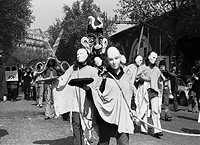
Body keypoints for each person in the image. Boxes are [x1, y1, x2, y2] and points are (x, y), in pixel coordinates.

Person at [85, 47, 137, 145]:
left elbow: (131, 95)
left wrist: (133, 108)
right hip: (106, 117)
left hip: (123, 116)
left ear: (120, 57)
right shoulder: (103, 76)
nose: (114, 62)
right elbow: (96, 96)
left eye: (116, 58)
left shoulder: (127, 76)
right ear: (107, 60)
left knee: (123, 143)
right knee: (104, 143)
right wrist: (87, 90)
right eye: (111, 59)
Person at [56, 48, 99, 145]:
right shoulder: (72, 69)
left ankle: (87, 142)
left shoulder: (92, 71)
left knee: (88, 124)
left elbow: (96, 85)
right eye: (77, 54)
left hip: (87, 101)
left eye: (81, 54)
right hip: (75, 101)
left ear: (87, 56)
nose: (79, 55)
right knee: (76, 124)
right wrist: (55, 81)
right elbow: (63, 79)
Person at [145, 51, 165, 138]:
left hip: (154, 92)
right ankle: (143, 127)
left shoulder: (157, 70)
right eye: (153, 57)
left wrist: (160, 92)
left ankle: (157, 130)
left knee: (155, 111)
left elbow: (161, 81)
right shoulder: (143, 68)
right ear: (148, 57)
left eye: (156, 58)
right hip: (144, 91)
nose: (155, 59)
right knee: (142, 111)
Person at [133, 55, 150, 135]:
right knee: (138, 106)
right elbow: (136, 76)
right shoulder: (137, 67)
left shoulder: (148, 68)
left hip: (146, 87)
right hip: (140, 87)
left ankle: (143, 127)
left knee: (144, 107)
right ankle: (136, 124)